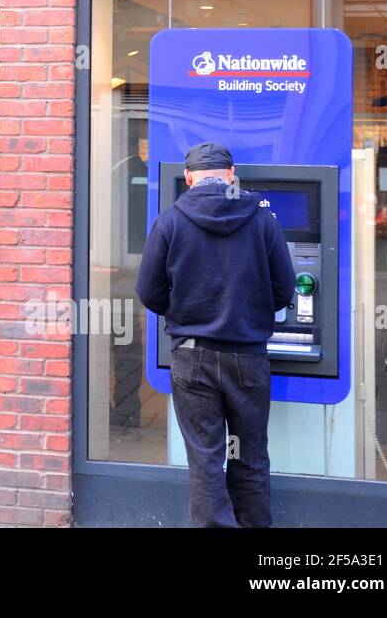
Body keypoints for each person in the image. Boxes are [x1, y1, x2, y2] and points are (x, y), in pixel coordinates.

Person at [135, 141, 295, 528]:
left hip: (193, 356)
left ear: (189, 177)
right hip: (248, 356)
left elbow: (148, 290)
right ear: (231, 174)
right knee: (250, 456)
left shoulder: (170, 220)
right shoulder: (262, 220)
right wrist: (251, 314)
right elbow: (285, 288)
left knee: (206, 459)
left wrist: (184, 313)